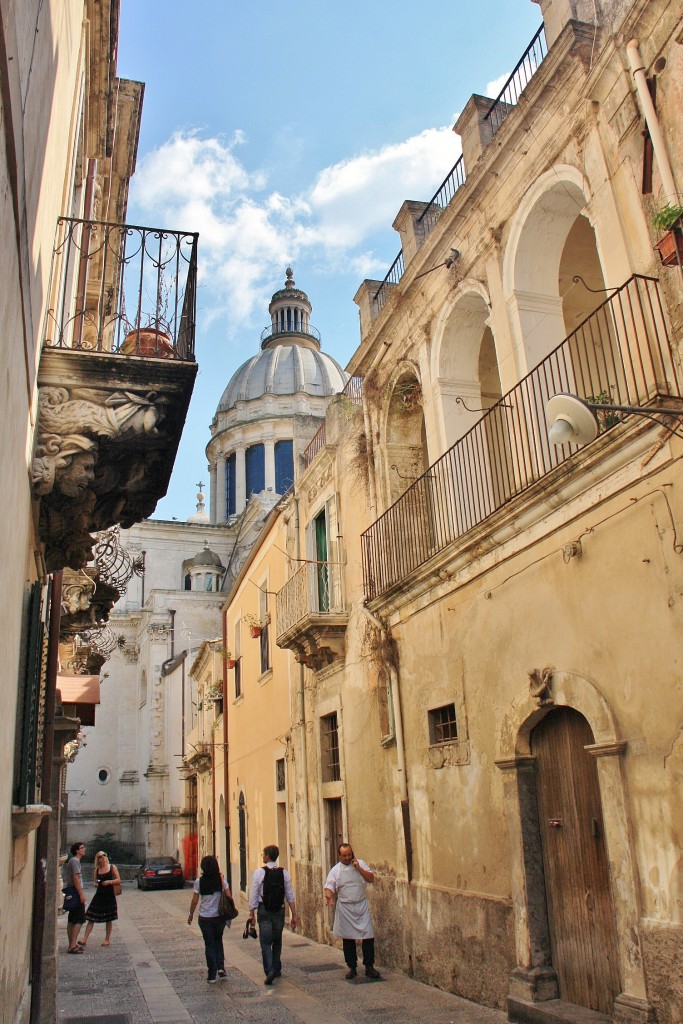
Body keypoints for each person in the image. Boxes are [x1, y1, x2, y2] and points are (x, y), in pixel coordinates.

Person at [324, 843, 380, 979]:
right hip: (346, 908)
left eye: (349, 854)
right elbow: (329, 885)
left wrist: (359, 868)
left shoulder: (360, 864)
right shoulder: (335, 870)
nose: (347, 858)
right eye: (344, 856)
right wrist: (329, 897)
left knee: (368, 936)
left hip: (361, 905)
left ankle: (369, 966)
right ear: (339, 856)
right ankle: (352, 967)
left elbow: (371, 878)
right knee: (348, 939)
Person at [247, 844, 297, 985]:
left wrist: (252, 914)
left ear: (267, 856)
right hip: (279, 910)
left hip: (264, 910)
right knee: (277, 940)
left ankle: (269, 971)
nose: (262, 856)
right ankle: (276, 968)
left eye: (263, 854)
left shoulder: (259, 873)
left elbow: (254, 894)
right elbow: (290, 895)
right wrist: (294, 914)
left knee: (265, 941)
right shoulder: (284, 873)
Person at [188, 855, 233, 983]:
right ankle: (221, 968)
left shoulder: (199, 882)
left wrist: (191, 914)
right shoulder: (221, 880)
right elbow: (229, 896)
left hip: (205, 917)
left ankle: (211, 974)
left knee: (209, 944)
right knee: (218, 940)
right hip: (219, 917)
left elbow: (195, 900)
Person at [78, 851, 120, 947]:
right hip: (99, 895)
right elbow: (95, 882)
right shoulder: (97, 870)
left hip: (109, 895)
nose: (103, 858)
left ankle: (107, 939)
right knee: (91, 917)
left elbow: (118, 879)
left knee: (109, 918)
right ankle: (84, 939)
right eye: (100, 856)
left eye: (104, 855)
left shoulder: (112, 867)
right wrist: (96, 883)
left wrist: (109, 882)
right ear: (98, 859)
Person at [63, 841, 87, 953]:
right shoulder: (75, 861)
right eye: (82, 848)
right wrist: (81, 893)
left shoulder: (73, 861)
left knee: (72, 919)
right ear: (77, 850)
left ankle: (71, 944)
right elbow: (76, 878)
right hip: (75, 892)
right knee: (79, 918)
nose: (84, 849)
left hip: (72, 891)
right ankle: (72, 945)